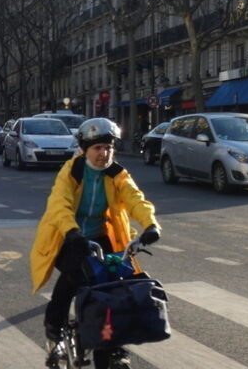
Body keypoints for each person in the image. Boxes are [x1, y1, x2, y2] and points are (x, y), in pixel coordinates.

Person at [30, 117, 161, 369]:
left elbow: (135, 199)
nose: (104, 153)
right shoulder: (72, 171)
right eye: (98, 148)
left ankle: (115, 346)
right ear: (84, 149)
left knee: (116, 286)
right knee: (74, 276)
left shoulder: (117, 173)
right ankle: (54, 325)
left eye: (109, 147)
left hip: (101, 237)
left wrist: (151, 225)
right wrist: (72, 232)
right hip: (68, 235)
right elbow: (59, 204)